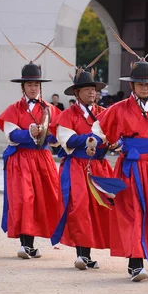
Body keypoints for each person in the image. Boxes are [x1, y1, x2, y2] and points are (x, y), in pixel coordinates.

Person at [92, 28, 148, 282]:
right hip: (130, 167)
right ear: (132, 85)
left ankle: (144, 254)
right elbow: (99, 130)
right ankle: (135, 262)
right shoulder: (119, 109)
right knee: (131, 212)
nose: (145, 87)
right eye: (140, 83)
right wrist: (96, 142)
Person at [42, 45, 116, 270]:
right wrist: (91, 138)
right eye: (86, 89)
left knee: (99, 208)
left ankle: (89, 252)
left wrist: (113, 142)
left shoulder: (104, 113)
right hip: (77, 166)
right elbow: (68, 140)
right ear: (77, 93)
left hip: (99, 165)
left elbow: (112, 135)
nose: (91, 93)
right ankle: (82, 254)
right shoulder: (67, 115)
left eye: (93, 89)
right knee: (80, 207)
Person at [0, 37, 62, 259]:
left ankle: (38, 240)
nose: (33, 88)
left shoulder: (51, 109)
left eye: (36, 84)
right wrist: (29, 133)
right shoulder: (14, 109)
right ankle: (26, 244)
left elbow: (57, 135)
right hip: (21, 159)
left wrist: (50, 137)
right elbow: (11, 135)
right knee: (25, 198)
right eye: (30, 84)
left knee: (45, 198)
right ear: (23, 86)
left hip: (42, 159)